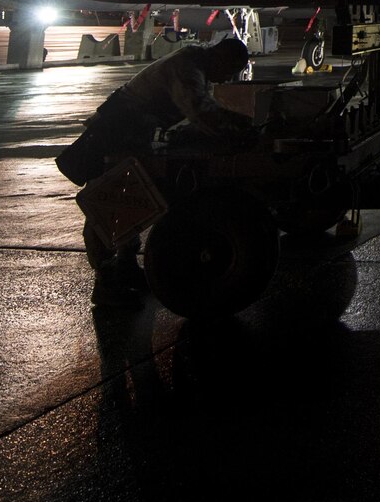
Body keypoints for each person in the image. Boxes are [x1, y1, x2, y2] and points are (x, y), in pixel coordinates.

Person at [56, 34, 250, 303]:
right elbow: (200, 110)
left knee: (132, 201)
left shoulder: (195, 65)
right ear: (221, 57)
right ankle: (106, 282)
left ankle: (125, 268)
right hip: (115, 135)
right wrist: (237, 128)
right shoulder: (186, 67)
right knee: (111, 205)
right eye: (229, 71)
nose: (228, 79)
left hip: (130, 134)